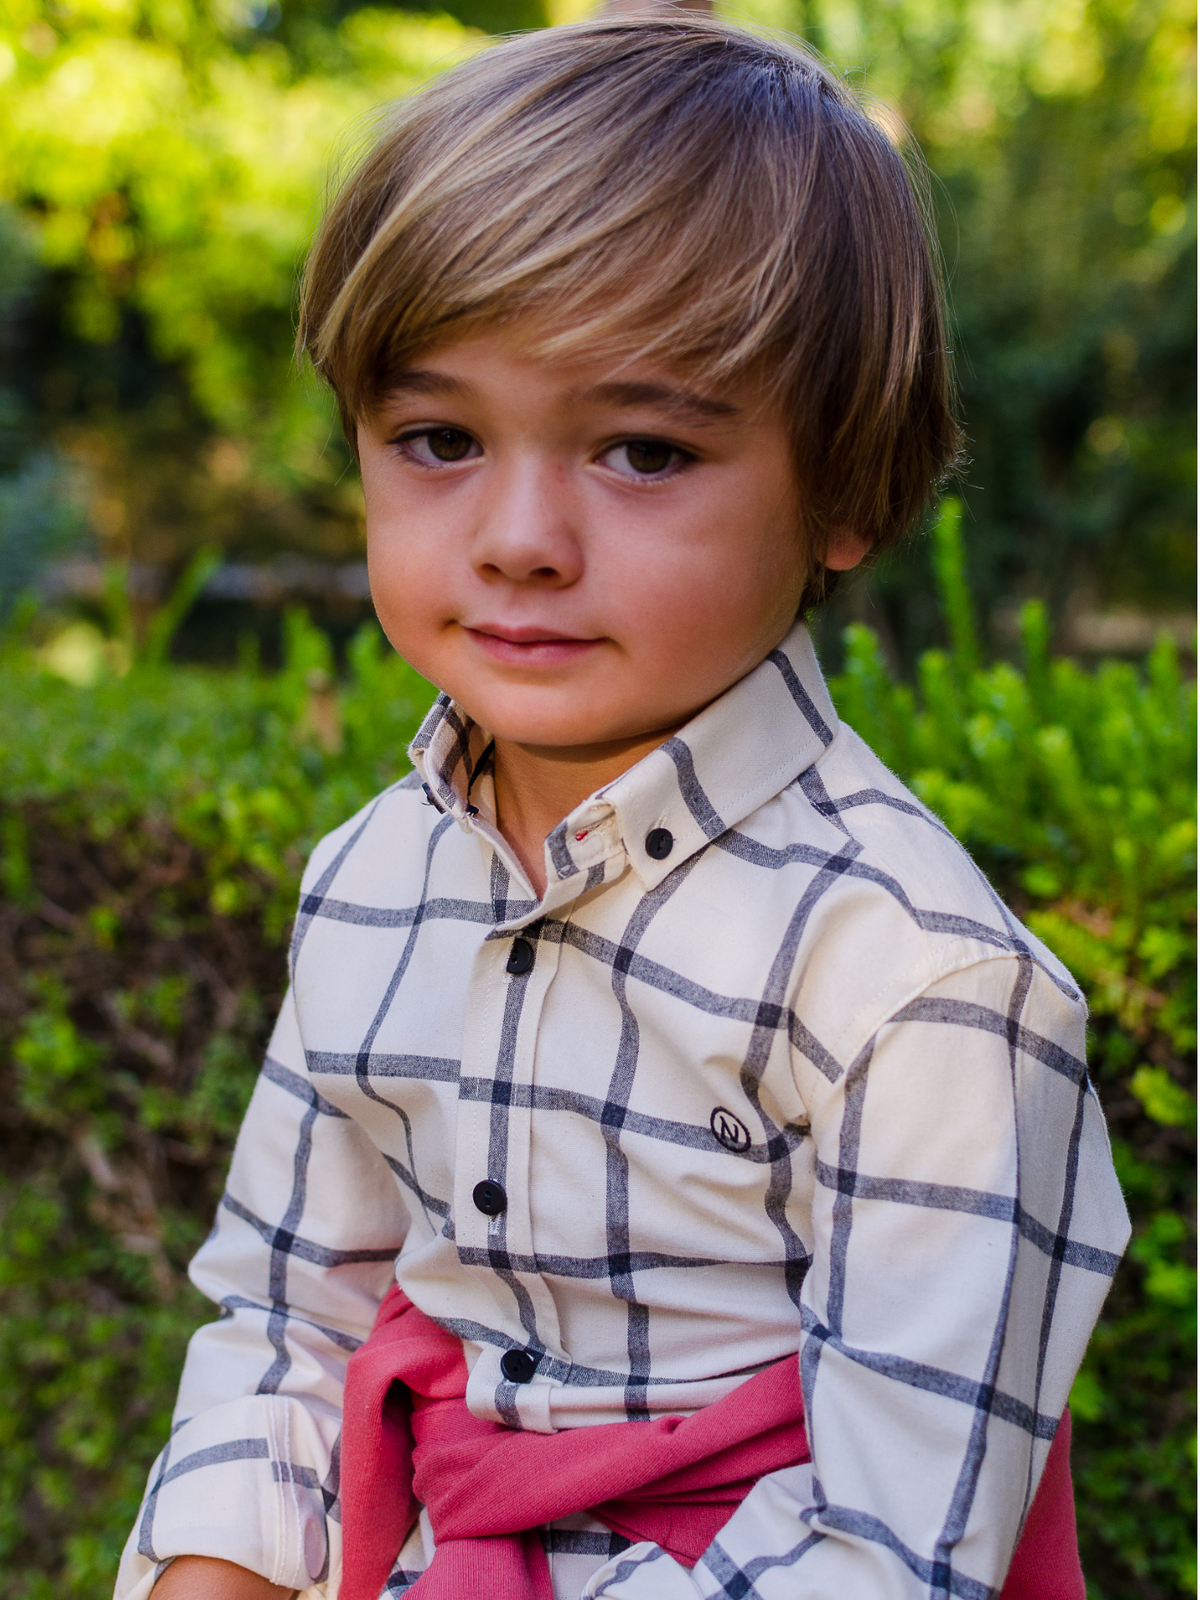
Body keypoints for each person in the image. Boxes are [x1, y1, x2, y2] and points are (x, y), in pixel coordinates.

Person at [115, 17, 1130, 1600]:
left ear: (848, 488)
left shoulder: (923, 993)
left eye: (644, 450)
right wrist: (211, 1569)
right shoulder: (373, 884)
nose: (518, 536)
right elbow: (284, 1318)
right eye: (438, 439)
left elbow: (890, 1548)